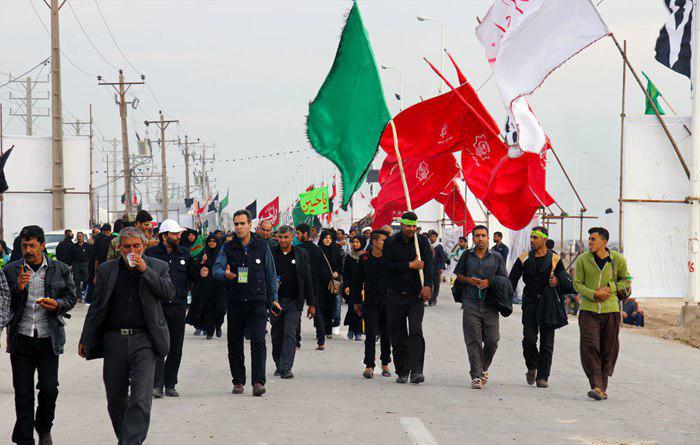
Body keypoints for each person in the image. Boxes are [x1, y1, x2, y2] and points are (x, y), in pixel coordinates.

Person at [78, 227, 175, 445]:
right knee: (115, 398)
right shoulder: (107, 270)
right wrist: (86, 337)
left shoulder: (158, 266)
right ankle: (127, 439)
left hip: (145, 340)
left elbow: (168, 293)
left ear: (144, 245)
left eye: (136, 246)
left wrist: (145, 271)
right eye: (127, 247)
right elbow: (96, 306)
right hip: (114, 340)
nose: (132, 250)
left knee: (140, 397)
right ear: (119, 248)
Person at [3, 225, 77, 445]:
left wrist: (57, 304)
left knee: (48, 389)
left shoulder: (60, 269)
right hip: (22, 339)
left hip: (48, 339)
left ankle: (44, 428)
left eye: (32, 245)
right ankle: (25, 439)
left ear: (42, 245)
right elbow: (6, 306)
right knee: (23, 393)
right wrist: (18, 289)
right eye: (25, 245)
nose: (28, 250)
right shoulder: (11, 270)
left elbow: (71, 296)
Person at [213, 210, 280, 397]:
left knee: (258, 341)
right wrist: (224, 274)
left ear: (250, 224)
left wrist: (273, 299)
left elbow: (270, 273)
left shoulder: (262, 246)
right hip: (235, 301)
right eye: (236, 224)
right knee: (234, 343)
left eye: (242, 223)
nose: (239, 227)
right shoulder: (227, 247)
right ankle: (238, 381)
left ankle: (258, 382)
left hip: (257, 301)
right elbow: (216, 269)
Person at [146, 219, 205, 398]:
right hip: (157, 306)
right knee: (157, 345)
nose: (179, 236)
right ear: (165, 236)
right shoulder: (150, 254)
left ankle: (170, 383)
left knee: (175, 346)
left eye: (179, 234)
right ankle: (156, 385)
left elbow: (192, 275)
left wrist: (202, 272)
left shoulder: (184, 254)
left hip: (178, 306)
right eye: (175, 234)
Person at [574, 227, 630, 401]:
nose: (589, 242)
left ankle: (601, 387)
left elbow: (626, 280)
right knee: (590, 346)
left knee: (608, 348)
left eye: (593, 239)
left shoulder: (617, 259)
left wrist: (611, 288)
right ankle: (596, 385)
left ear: (604, 242)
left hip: (611, 311)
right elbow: (577, 284)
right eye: (589, 239)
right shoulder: (583, 259)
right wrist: (593, 293)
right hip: (588, 311)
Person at [508, 226, 566, 388]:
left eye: (535, 237)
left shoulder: (555, 259)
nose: (532, 240)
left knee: (547, 343)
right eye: (531, 237)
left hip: (548, 305)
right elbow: (511, 280)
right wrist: (503, 299)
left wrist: (557, 281)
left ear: (544, 240)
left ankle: (543, 376)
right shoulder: (524, 258)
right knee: (529, 339)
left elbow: (566, 279)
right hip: (530, 303)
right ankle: (532, 366)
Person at [453, 225, 507, 390]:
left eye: (483, 235)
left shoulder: (496, 257)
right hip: (470, 302)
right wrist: (470, 280)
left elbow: (504, 277)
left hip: (490, 304)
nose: (480, 239)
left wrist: (489, 282)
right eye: (477, 236)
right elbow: (459, 275)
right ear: (473, 238)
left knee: (493, 340)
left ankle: (483, 368)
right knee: (473, 340)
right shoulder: (466, 255)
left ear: (488, 238)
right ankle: (476, 375)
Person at [384, 211, 433, 385]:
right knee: (398, 335)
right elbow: (386, 266)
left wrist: (428, 285)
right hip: (395, 296)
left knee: (415, 331)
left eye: (414, 226)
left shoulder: (422, 242)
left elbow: (429, 267)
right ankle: (402, 371)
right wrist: (409, 265)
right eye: (408, 226)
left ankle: (417, 370)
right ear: (402, 225)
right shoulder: (391, 242)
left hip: (416, 296)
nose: (411, 229)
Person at [270, 225, 316, 378]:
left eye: (286, 237)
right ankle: (279, 364)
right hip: (275, 302)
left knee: (290, 333)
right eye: (280, 237)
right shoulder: (271, 253)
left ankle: (286, 368)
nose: (283, 240)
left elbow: (308, 278)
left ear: (292, 237)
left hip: (294, 302)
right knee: (277, 335)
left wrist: (312, 304)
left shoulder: (301, 254)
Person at [352, 230, 392, 379]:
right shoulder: (364, 259)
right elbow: (357, 282)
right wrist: (356, 302)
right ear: (374, 242)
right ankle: (369, 365)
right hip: (370, 302)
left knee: (387, 334)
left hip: (388, 302)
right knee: (370, 334)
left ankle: (385, 363)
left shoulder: (390, 259)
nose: (385, 243)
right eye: (383, 240)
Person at [187, 235, 226, 339]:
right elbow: (195, 268)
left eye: (214, 241)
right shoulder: (204, 253)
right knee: (209, 309)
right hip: (207, 285)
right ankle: (210, 330)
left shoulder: (222, 254)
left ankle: (218, 326)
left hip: (220, 285)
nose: (211, 243)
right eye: (209, 241)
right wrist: (202, 262)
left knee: (220, 309)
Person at [296, 224, 326, 349]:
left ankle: (296, 342)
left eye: (298, 233)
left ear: (305, 234)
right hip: (314, 285)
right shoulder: (318, 249)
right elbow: (322, 270)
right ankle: (321, 341)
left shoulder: (297, 249)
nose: (297, 236)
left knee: (296, 313)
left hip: (299, 284)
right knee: (317, 312)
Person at [318, 230, 343, 339]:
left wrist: (337, 272)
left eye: (329, 238)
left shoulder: (336, 251)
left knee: (330, 307)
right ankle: (320, 329)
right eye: (325, 237)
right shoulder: (317, 251)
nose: (328, 239)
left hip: (331, 284)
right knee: (320, 306)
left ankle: (328, 329)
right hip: (319, 283)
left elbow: (340, 265)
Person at [342, 235, 365, 340]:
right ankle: (351, 329)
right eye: (353, 242)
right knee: (352, 308)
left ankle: (358, 332)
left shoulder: (365, 256)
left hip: (363, 287)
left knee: (360, 309)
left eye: (357, 242)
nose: (355, 244)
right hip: (351, 286)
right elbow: (345, 272)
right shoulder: (349, 256)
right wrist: (346, 285)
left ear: (362, 243)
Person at [427, 230, 449, 306]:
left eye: (434, 237)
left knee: (436, 284)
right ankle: (430, 298)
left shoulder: (439, 246)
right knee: (430, 284)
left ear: (436, 237)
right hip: (429, 268)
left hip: (437, 268)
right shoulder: (428, 245)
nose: (433, 238)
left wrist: (441, 267)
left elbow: (442, 258)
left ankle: (433, 299)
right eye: (431, 237)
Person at [72, 232, 91, 302]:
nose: (79, 238)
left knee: (86, 279)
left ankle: (85, 293)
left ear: (83, 237)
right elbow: (72, 256)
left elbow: (90, 254)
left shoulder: (87, 245)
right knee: (76, 281)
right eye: (78, 236)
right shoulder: (74, 246)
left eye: (80, 236)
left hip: (85, 264)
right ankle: (79, 296)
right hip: (76, 264)